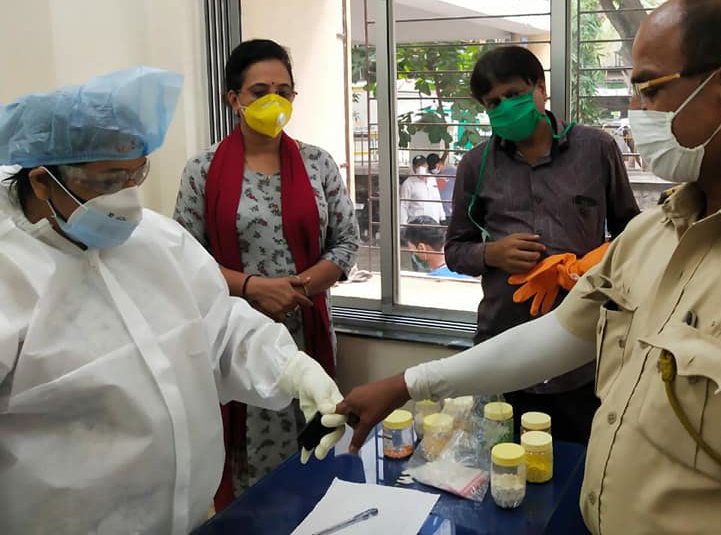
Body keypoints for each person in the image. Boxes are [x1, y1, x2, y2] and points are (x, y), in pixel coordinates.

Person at [335, 0, 721, 535]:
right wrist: (404, 386)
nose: (635, 112)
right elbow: (560, 334)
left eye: (650, 88)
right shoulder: (657, 232)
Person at [0, 68, 346, 535]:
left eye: (136, 171)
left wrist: (290, 367)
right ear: (42, 181)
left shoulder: (155, 240)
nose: (126, 196)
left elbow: (219, 326)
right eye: (107, 180)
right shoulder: (10, 275)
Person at [173, 39, 359, 504]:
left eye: (284, 90)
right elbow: (183, 259)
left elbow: (347, 241)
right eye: (260, 90)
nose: (273, 100)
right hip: (234, 337)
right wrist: (255, 288)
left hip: (308, 326)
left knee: (315, 444)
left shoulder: (317, 163)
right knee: (253, 465)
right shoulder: (203, 169)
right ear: (233, 99)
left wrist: (298, 288)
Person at [442, 45, 640, 444]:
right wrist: (491, 253)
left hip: (581, 352)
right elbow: (454, 249)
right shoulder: (475, 165)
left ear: (540, 89)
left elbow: (632, 233)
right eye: (493, 102)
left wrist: (590, 264)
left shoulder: (596, 150)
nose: (504, 107)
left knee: (579, 472)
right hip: (502, 350)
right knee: (502, 468)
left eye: (514, 95)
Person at [402, 215, 472, 279]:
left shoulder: (431, 282)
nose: (413, 255)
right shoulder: (465, 272)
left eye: (413, 251)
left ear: (421, 248)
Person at [399, 154, 445, 224]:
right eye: (418, 166)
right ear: (414, 168)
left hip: (434, 223)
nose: (420, 168)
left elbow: (437, 199)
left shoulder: (432, 179)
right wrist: (403, 225)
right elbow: (403, 206)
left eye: (423, 165)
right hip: (417, 225)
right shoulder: (408, 183)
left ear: (427, 165)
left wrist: (442, 217)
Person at [426, 151, 456, 220]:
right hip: (435, 213)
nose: (434, 170)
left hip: (450, 212)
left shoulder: (452, 171)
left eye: (435, 167)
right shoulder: (430, 175)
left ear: (440, 163)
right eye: (431, 168)